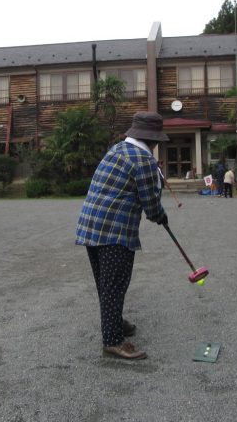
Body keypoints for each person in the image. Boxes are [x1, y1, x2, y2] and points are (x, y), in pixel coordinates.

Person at [75, 112, 169, 361]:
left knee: (105, 284)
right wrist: (161, 216)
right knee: (114, 286)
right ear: (154, 140)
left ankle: (113, 321)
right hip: (114, 231)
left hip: (90, 226)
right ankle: (113, 340)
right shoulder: (145, 160)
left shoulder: (116, 149)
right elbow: (150, 204)